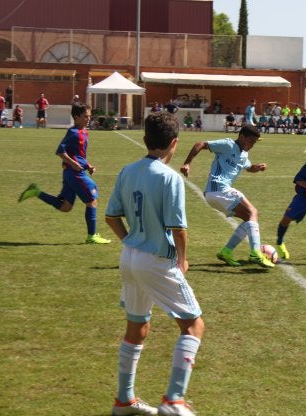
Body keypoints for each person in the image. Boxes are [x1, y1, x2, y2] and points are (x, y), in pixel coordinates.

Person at [105, 112, 204, 416]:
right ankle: (174, 399)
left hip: (130, 258)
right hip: (157, 260)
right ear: (174, 143)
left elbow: (111, 216)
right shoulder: (170, 177)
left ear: (146, 139)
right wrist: (183, 260)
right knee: (193, 325)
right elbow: (179, 228)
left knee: (137, 327)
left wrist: (130, 241)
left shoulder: (127, 170)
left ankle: (124, 400)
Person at [180, 125, 275, 268]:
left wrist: (257, 168)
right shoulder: (228, 144)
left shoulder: (244, 154)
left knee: (249, 220)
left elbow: (248, 168)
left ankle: (227, 251)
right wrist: (187, 163)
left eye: (255, 143)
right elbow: (200, 144)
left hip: (216, 194)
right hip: (218, 188)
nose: (252, 145)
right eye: (250, 141)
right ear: (241, 136)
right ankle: (255, 252)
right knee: (253, 212)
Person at [17, 103, 111, 244]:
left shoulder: (84, 132)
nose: (88, 119)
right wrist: (74, 165)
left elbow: (78, 155)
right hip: (74, 173)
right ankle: (92, 236)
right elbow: (60, 151)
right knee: (92, 200)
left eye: (89, 116)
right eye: (85, 116)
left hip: (73, 172)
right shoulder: (73, 132)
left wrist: (88, 165)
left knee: (65, 207)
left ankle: (36, 192)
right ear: (76, 116)